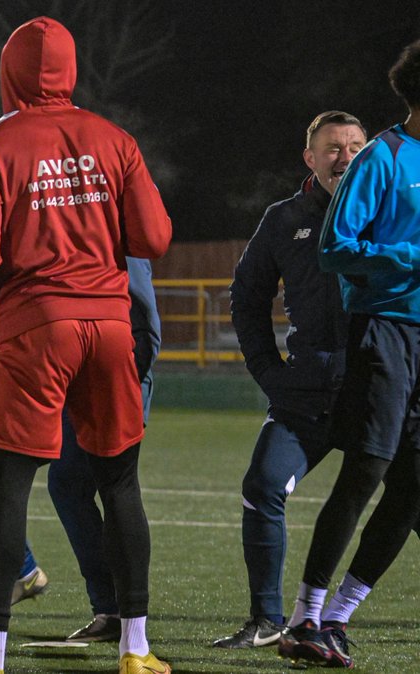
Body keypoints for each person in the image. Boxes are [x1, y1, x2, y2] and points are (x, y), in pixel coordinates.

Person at [0, 17, 172, 674]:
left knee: (5, 484)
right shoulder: (115, 138)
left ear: (8, 73)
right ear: (70, 71)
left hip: (39, 325)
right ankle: (136, 651)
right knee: (120, 484)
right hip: (109, 326)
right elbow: (153, 238)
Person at [278, 40, 420, 669]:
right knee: (366, 469)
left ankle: (336, 618)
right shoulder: (382, 158)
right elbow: (335, 247)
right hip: (384, 330)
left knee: (413, 487)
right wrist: (409, 260)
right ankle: (302, 618)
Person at [215, 111, 366, 650]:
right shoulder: (285, 218)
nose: (344, 157)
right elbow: (246, 297)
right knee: (262, 486)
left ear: (368, 153)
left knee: (410, 502)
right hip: (306, 393)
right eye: (332, 147)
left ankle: (329, 614)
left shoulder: (393, 212)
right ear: (310, 158)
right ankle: (266, 620)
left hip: (378, 391)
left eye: (354, 146)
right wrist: (268, 371)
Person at [0, 257, 161, 644]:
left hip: (104, 371)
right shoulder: (56, 211)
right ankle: (29, 573)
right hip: (57, 364)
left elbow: (141, 308)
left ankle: (117, 616)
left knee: (81, 483)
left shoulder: (100, 208)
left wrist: (126, 379)